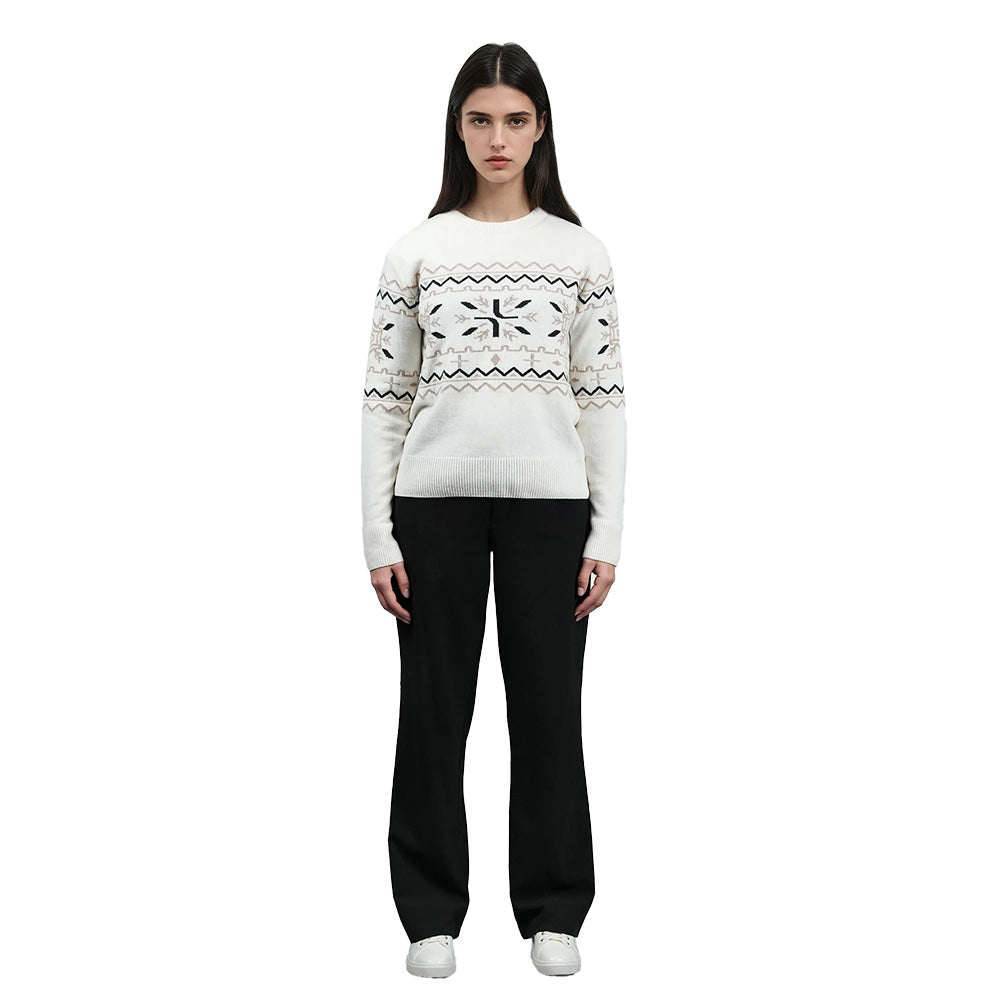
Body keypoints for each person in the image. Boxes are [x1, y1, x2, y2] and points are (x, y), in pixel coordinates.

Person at [360, 41, 626, 979]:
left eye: (515, 119)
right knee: (433, 714)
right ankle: (430, 916)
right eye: (480, 119)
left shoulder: (579, 255)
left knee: (549, 711)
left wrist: (607, 533)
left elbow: (603, 401)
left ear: (541, 127)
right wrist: (377, 534)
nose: (498, 138)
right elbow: (385, 401)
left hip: (551, 509)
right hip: (432, 509)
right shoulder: (416, 254)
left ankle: (554, 911)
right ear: (458, 128)